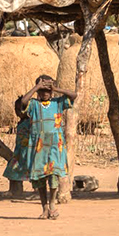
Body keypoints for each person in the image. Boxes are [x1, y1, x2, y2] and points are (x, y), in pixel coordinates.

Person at [17, 74, 77, 219]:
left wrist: (56, 88)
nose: (45, 93)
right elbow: (22, 102)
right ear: (37, 92)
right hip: (38, 146)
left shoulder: (58, 102)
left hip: (56, 145)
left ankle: (52, 205)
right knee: (40, 179)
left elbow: (74, 95)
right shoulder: (33, 104)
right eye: (42, 91)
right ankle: (44, 207)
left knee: (54, 176)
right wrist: (37, 86)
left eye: (47, 91)